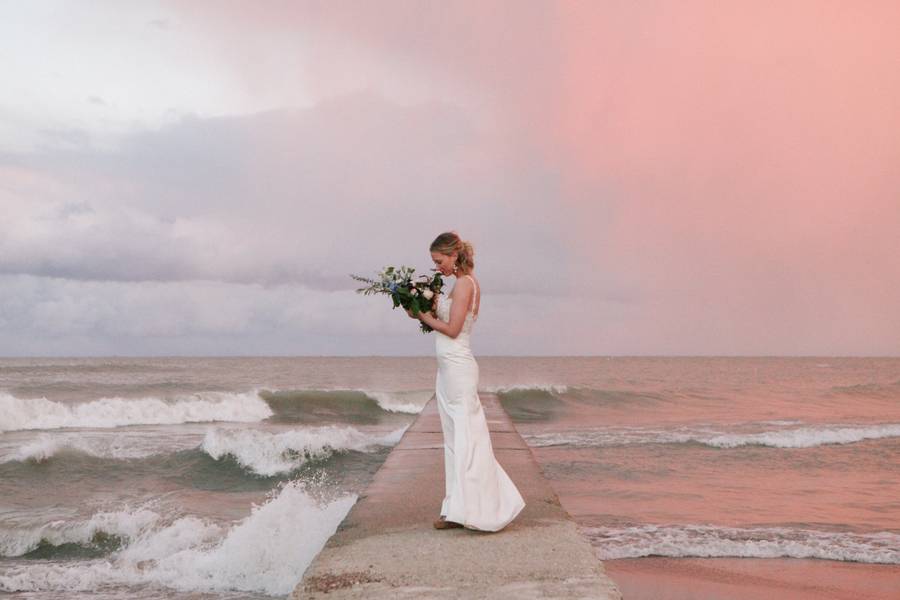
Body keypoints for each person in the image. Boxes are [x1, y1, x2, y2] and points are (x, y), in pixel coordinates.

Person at [406, 231, 526, 532]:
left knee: (466, 439)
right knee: (453, 439)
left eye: (439, 261)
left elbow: (453, 329)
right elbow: (443, 321)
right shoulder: (461, 285)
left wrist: (424, 316)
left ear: (454, 255)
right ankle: (456, 508)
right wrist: (418, 310)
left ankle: (475, 509)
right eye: (434, 263)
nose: (437, 268)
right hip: (447, 370)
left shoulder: (464, 284)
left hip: (458, 369)